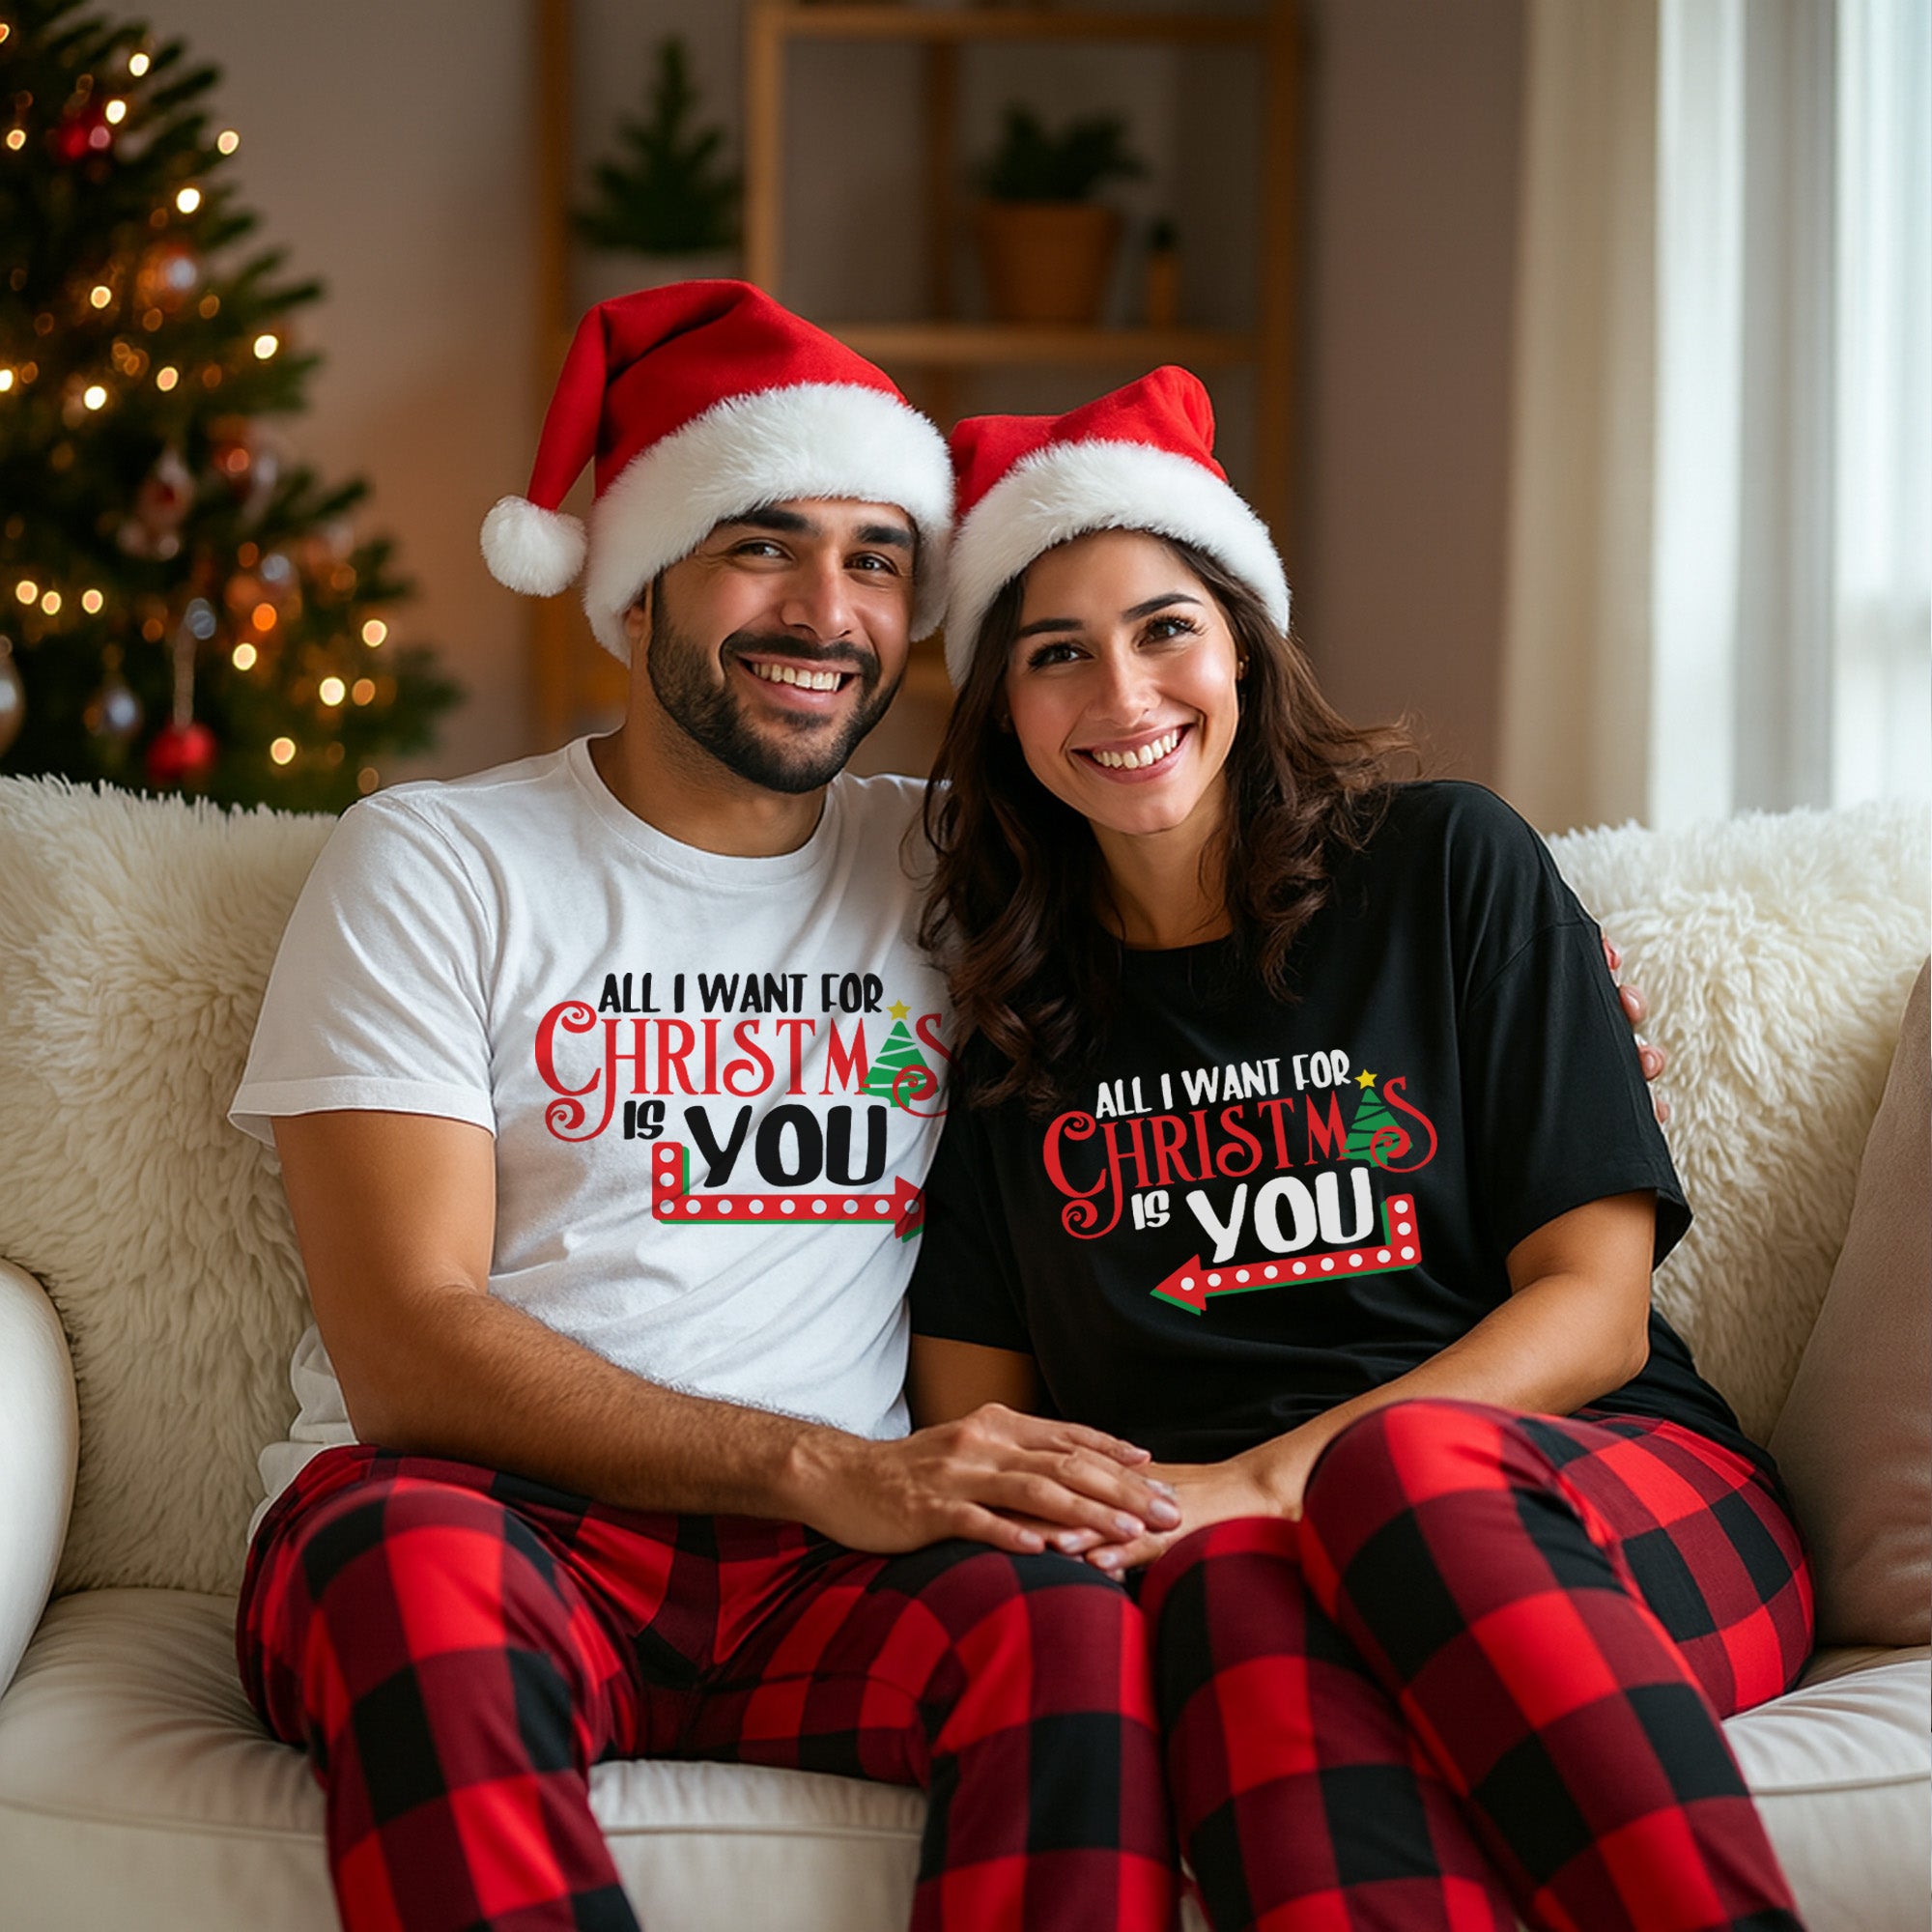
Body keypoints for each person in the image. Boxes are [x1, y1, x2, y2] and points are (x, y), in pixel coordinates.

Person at [229, 283, 1179, 1932]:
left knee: (1070, 1634)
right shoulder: (437, 862)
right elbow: (403, 1340)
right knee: (409, 1587)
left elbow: (1240, 898)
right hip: (474, 1513)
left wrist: (1522, 1007)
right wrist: (813, 1465)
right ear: (638, 573)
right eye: (761, 542)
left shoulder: (954, 860)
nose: (827, 609)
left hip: (836, 1568)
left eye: (879, 558)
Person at [907, 367, 1814, 1932]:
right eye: (1055, 655)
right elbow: (978, 1417)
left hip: (1604, 1499)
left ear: (1245, 649)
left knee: (1383, 1479)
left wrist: (1267, 1479)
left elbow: (1594, 1309)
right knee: (1219, 1599)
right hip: (1237, 1553)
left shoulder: (1445, 866)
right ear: (1003, 712)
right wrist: (1173, 1520)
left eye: (1163, 628)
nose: (1123, 697)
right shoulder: (1006, 1017)